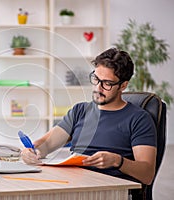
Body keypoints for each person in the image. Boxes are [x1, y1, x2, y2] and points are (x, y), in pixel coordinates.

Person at [21, 48, 157, 192]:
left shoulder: (139, 119)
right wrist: (32, 151)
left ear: (123, 86)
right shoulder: (80, 111)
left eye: (107, 83)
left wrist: (118, 161)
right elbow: (47, 144)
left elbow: (147, 175)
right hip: (73, 185)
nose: (98, 88)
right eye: (96, 79)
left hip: (108, 191)